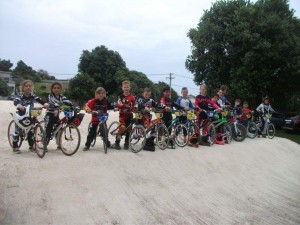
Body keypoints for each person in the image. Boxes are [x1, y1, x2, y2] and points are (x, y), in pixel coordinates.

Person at [12, 80, 49, 154]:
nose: (28, 87)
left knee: (31, 130)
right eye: (26, 86)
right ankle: (15, 146)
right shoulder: (20, 95)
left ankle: (31, 146)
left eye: (30, 86)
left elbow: (40, 100)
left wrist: (45, 103)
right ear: (23, 87)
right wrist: (19, 105)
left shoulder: (33, 95)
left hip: (30, 114)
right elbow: (16, 101)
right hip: (21, 115)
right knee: (17, 130)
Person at [45, 82, 73, 149]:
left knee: (59, 130)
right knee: (48, 130)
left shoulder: (62, 97)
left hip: (57, 115)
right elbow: (52, 102)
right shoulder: (50, 96)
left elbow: (68, 101)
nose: (56, 89)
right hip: (49, 115)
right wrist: (58, 105)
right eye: (54, 88)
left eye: (58, 88)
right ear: (52, 89)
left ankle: (59, 144)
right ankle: (45, 144)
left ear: (60, 89)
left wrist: (72, 106)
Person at [111, 80, 136, 150]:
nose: (126, 88)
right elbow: (118, 103)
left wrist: (135, 108)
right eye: (124, 87)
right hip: (122, 115)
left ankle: (126, 143)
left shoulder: (132, 97)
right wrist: (122, 105)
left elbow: (135, 104)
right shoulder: (120, 96)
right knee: (122, 128)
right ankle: (117, 142)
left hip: (130, 115)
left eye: (127, 87)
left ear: (130, 88)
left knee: (129, 130)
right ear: (122, 88)